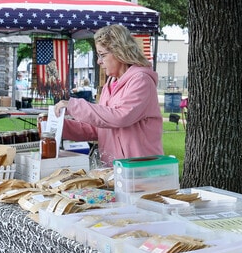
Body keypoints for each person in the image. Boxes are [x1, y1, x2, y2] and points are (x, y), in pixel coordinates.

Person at [54, 24, 163, 167]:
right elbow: (99, 127)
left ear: (120, 52)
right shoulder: (110, 84)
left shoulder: (141, 80)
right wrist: (59, 125)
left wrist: (74, 105)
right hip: (114, 169)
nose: (99, 61)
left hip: (139, 169)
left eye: (102, 55)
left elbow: (121, 117)